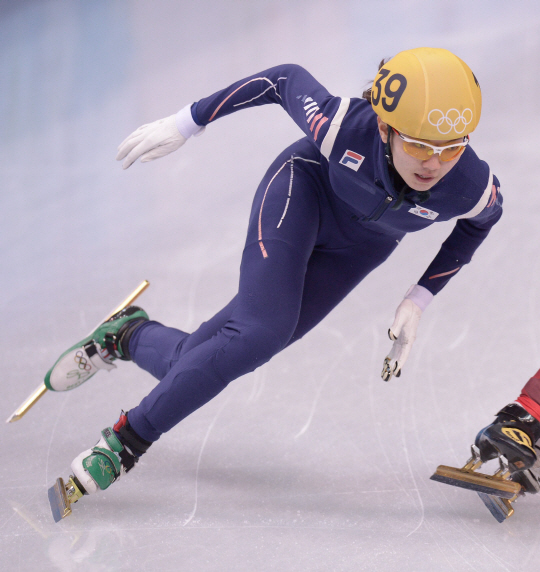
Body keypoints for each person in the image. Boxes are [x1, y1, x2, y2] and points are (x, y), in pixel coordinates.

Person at [45, 48, 503, 501]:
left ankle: (127, 335)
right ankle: (126, 442)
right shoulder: (342, 127)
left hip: (362, 247)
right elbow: (283, 80)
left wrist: (419, 298)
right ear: (384, 127)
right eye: (420, 144)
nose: (434, 163)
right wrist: (188, 121)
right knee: (261, 331)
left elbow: (480, 224)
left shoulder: (470, 184)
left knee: (211, 355)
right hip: (301, 194)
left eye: (452, 146)